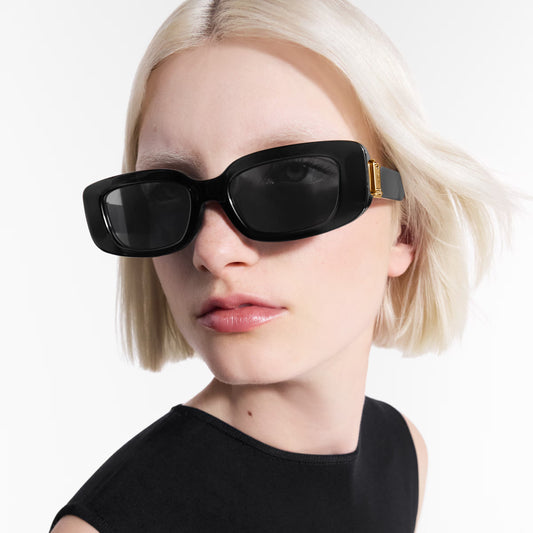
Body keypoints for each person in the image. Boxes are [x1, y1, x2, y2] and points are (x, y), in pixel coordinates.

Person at [49, 1, 510, 532]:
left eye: (291, 179)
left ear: (406, 230)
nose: (211, 250)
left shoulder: (402, 453)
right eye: (164, 196)